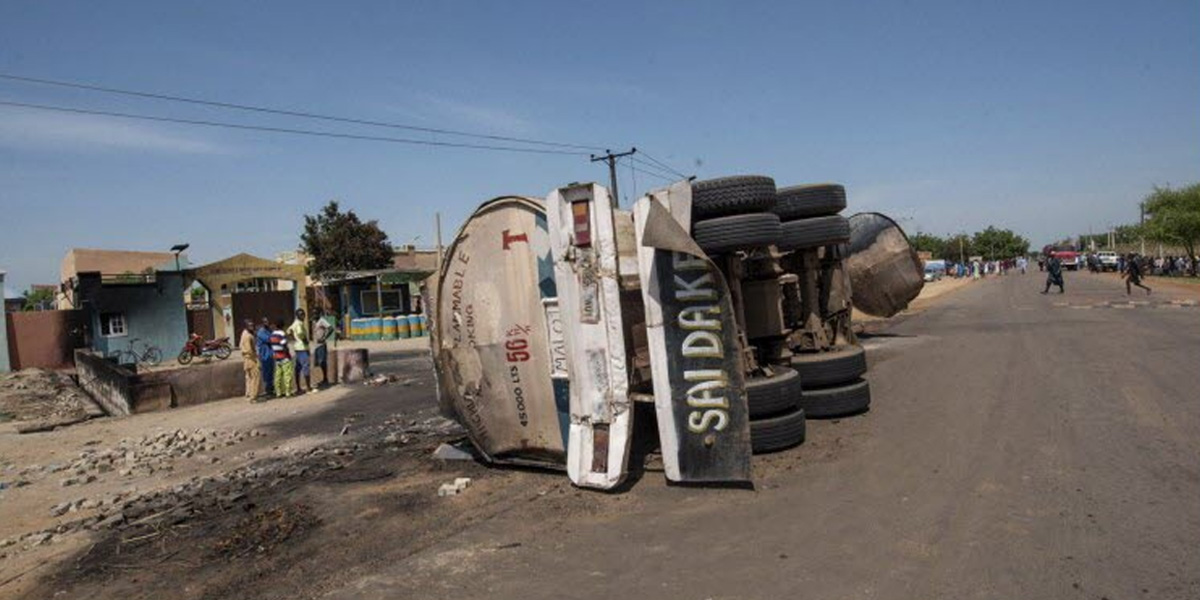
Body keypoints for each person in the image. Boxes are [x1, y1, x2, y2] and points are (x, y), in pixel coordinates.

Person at [287, 308, 314, 394]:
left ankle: (299, 388)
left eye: (303, 314)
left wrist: (293, 338)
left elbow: (288, 331)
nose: (303, 316)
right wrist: (304, 340)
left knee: (298, 368)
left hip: (297, 347)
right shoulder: (299, 324)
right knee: (305, 367)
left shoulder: (294, 323)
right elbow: (300, 333)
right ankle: (308, 388)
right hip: (302, 347)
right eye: (301, 314)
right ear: (298, 315)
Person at [270, 321, 296, 398]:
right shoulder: (282, 334)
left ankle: (278, 392)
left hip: (277, 357)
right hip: (284, 356)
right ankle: (288, 392)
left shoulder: (272, 334)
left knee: (278, 375)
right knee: (287, 375)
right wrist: (287, 353)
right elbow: (284, 344)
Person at [311, 308, 334, 389]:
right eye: (313, 313)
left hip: (321, 344)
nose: (314, 315)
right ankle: (320, 379)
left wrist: (324, 338)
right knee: (317, 363)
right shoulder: (313, 321)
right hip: (315, 345)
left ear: (319, 314)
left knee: (322, 361)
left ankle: (325, 379)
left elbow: (331, 328)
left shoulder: (322, 320)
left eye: (316, 313)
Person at [239, 319, 261, 401]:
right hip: (251, 358)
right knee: (255, 377)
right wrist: (256, 358)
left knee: (249, 377)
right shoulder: (248, 336)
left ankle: (248, 394)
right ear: (246, 326)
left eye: (252, 325)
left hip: (246, 359)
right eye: (250, 325)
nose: (252, 327)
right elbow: (250, 349)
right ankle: (253, 396)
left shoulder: (243, 334)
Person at [255, 318, 274, 398]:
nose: (267, 323)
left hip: (270, 354)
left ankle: (271, 389)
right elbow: (269, 340)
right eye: (265, 322)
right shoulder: (261, 332)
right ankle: (267, 390)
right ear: (263, 323)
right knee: (266, 373)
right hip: (264, 355)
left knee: (271, 372)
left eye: (268, 322)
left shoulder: (268, 331)